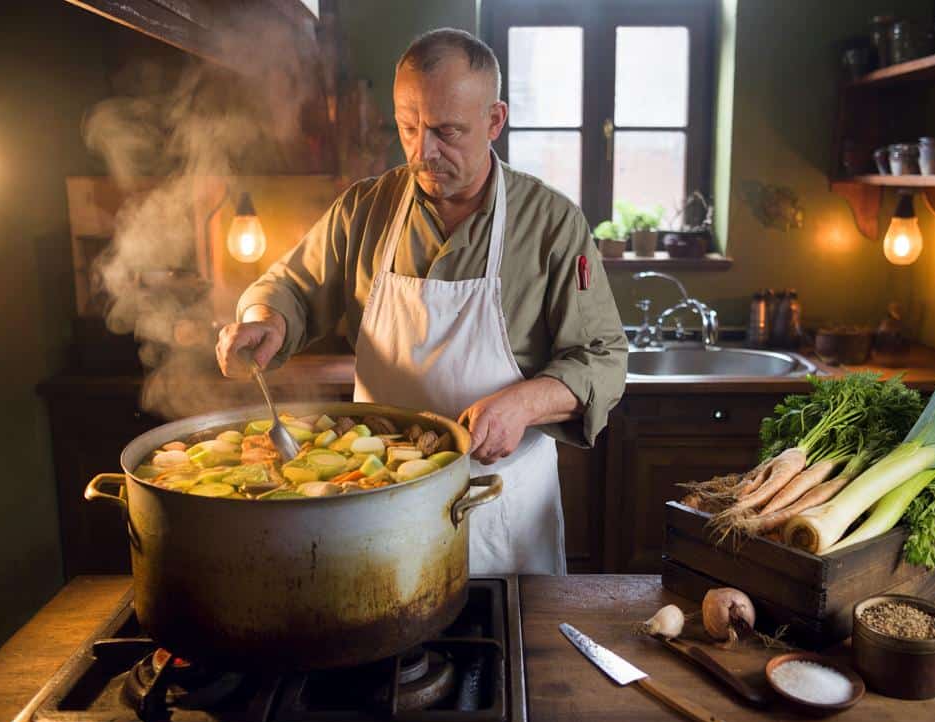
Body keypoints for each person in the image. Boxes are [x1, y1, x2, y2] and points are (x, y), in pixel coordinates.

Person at [216, 28, 627, 575]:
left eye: (446, 131)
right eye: (409, 128)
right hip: (372, 503)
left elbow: (602, 357)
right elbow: (289, 287)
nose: (423, 152)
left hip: (497, 511)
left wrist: (524, 404)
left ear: (495, 121)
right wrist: (264, 319)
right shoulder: (363, 209)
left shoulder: (551, 224)